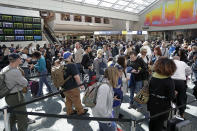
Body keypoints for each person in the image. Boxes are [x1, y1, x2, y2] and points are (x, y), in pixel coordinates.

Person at [148, 57, 176, 131]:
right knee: (159, 123)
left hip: (152, 102)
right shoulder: (169, 81)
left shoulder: (153, 76)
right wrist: (174, 93)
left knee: (152, 120)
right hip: (163, 105)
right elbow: (171, 97)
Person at [3, 53, 28, 131]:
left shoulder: (5, 68)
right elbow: (25, 83)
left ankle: (8, 128)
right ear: (17, 60)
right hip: (16, 97)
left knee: (13, 115)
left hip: (8, 96)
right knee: (22, 117)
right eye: (20, 58)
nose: (21, 60)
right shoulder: (15, 71)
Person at [62, 51, 88, 115]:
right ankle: (80, 111)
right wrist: (80, 85)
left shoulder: (62, 64)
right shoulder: (71, 65)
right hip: (72, 86)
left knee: (68, 99)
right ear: (69, 56)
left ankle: (69, 111)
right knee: (76, 98)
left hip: (64, 87)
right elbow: (76, 76)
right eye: (71, 55)